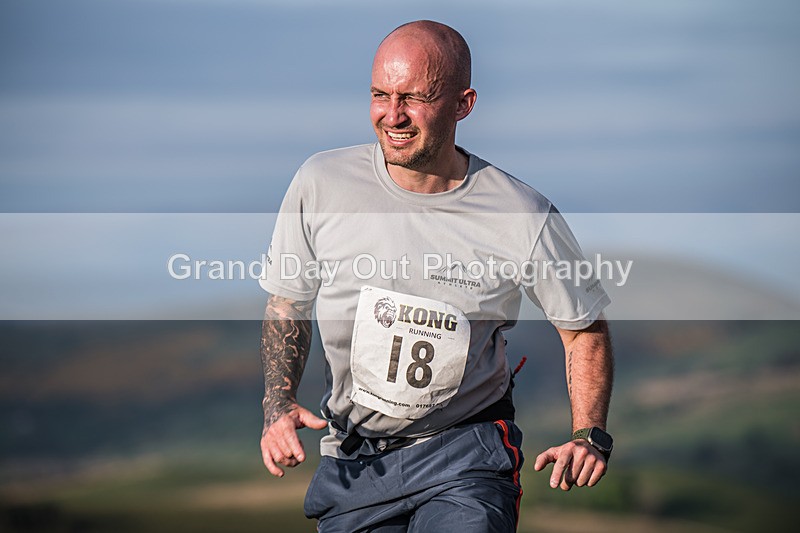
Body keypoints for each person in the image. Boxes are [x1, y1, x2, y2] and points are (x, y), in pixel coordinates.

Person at [259, 20, 614, 532]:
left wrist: (588, 435)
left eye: (414, 98)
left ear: (463, 104)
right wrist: (278, 405)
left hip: (466, 455)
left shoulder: (522, 214)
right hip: (355, 463)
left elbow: (583, 330)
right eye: (380, 95)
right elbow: (287, 304)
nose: (393, 115)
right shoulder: (321, 183)